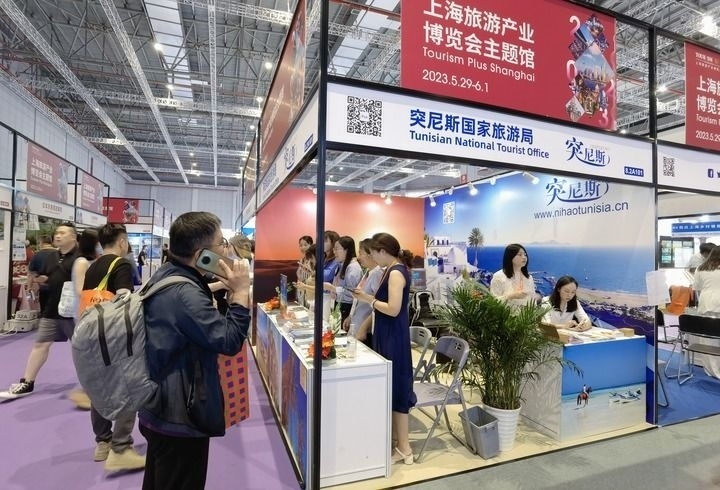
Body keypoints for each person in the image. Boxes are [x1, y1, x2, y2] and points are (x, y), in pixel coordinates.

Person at [139, 211, 251, 490]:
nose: (225, 250)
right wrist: (240, 295)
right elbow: (229, 341)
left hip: (160, 403)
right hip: (180, 414)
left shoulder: (169, 275)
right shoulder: (185, 294)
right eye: (221, 243)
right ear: (202, 254)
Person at [82, 224, 145, 471]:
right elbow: (123, 300)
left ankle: (103, 443)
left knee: (99, 388)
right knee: (128, 387)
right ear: (122, 241)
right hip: (114, 337)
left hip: (90, 333)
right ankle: (121, 446)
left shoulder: (93, 266)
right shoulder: (121, 265)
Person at [353, 233, 416, 465]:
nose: (372, 258)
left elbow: (393, 309)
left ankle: (405, 448)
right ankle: (399, 444)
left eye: (373, 253)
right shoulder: (390, 270)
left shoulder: (396, 273)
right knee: (392, 388)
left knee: (397, 389)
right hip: (386, 334)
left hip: (393, 337)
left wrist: (368, 299)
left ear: (382, 251)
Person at [0, 223, 78, 399]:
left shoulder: (80, 259)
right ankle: (27, 382)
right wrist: (43, 281)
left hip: (73, 313)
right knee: (40, 344)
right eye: (57, 233)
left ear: (73, 237)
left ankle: (90, 386)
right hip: (51, 310)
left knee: (81, 349)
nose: (58, 235)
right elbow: (49, 278)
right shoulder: (51, 257)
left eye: (63, 233)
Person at [66, 228, 101, 410]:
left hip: (92, 311)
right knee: (89, 354)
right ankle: (85, 392)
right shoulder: (81, 262)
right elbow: (80, 290)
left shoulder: (93, 261)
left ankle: (89, 390)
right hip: (83, 313)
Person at [344, 238, 383, 346]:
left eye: (361, 253)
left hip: (366, 329)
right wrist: (350, 316)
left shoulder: (378, 274)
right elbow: (359, 298)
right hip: (358, 322)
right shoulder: (368, 272)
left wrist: (364, 327)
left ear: (371, 254)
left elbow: (378, 305)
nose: (359, 257)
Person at [693, 247, 720, 378]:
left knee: (708, 340)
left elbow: (697, 287)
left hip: (706, 304)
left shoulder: (701, 268)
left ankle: (712, 370)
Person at [324, 236, 362, 326]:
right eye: (334, 249)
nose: (334, 252)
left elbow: (352, 292)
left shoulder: (353, 267)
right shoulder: (341, 264)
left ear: (346, 250)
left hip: (347, 306)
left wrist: (332, 288)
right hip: (338, 303)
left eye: (337, 249)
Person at [490, 243, 536, 309]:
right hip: (505, 314)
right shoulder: (499, 276)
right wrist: (511, 296)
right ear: (510, 257)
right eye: (520, 255)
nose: (524, 257)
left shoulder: (529, 278)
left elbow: (533, 301)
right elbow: (493, 301)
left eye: (525, 254)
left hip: (526, 315)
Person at [27, 234, 56, 312]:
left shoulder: (37, 255)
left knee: (44, 311)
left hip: (44, 288)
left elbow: (31, 274)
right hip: (58, 288)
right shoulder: (58, 253)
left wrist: (29, 288)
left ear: (41, 243)